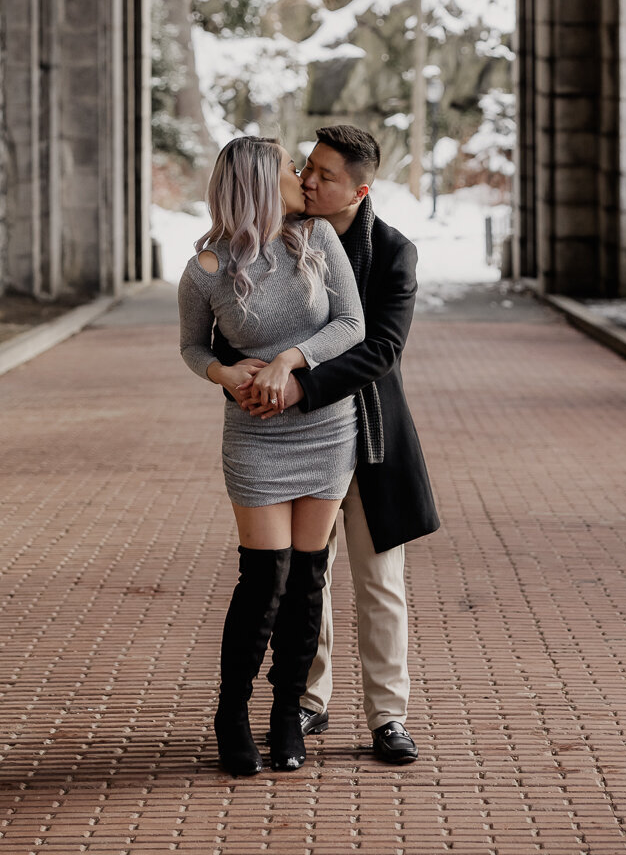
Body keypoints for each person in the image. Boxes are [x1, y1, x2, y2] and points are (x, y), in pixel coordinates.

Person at [217, 124, 439, 765]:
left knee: (379, 580)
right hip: (283, 439)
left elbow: (381, 347)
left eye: (325, 175)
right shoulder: (275, 239)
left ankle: (388, 716)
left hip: (368, 435)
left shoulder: (392, 252)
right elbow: (232, 329)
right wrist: (244, 378)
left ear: (359, 190)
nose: (308, 181)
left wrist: (298, 385)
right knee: (300, 580)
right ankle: (310, 700)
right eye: (305, 168)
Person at [177, 135, 365, 777]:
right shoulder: (205, 270)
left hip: (324, 428)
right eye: (289, 168)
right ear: (260, 182)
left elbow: (351, 325)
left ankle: (287, 715)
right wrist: (226, 377)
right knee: (264, 581)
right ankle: (232, 714)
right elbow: (192, 350)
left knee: (309, 578)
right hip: (255, 437)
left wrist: (290, 359)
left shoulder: (317, 240)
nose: (301, 178)